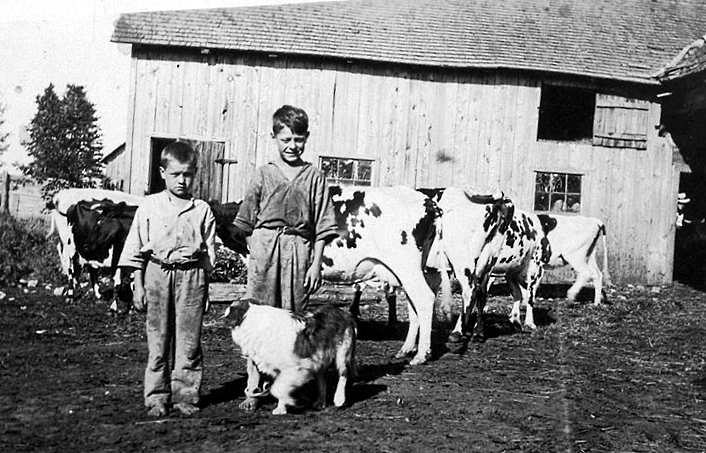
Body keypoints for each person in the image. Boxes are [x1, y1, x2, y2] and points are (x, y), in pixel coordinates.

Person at [231, 104, 339, 410]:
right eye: (286, 139)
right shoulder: (263, 174)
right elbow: (244, 222)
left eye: (298, 139)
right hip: (265, 252)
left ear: (307, 139)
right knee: (257, 321)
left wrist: (315, 263)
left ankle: (291, 386)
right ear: (274, 138)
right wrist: (258, 247)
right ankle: (254, 387)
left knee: (293, 322)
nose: (292, 146)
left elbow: (322, 226)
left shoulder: (314, 176)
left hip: (297, 250)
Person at [119, 141, 216, 417]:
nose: (182, 180)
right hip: (157, 272)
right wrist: (138, 284)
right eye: (176, 174)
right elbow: (137, 249)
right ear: (163, 173)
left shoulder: (202, 210)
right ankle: (157, 397)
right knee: (158, 340)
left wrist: (205, 291)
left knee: (189, 342)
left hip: (192, 275)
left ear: (194, 173)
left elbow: (208, 253)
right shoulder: (150, 205)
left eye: (187, 174)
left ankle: (185, 395)